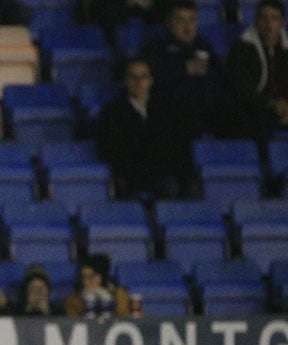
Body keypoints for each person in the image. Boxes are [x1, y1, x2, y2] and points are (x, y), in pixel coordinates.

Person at [96, 58, 195, 200]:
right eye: (133, 77)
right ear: (126, 81)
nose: (139, 82)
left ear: (151, 80)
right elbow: (111, 150)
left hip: (165, 172)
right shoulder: (112, 113)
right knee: (170, 187)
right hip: (133, 176)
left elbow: (177, 145)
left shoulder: (166, 110)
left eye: (143, 77)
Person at [140, 0, 232, 139]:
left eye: (192, 20)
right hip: (173, 112)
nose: (187, 26)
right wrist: (184, 69)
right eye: (180, 20)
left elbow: (222, 77)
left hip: (207, 110)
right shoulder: (156, 48)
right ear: (169, 23)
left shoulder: (204, 46)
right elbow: (149, 78)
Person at [227, 0, 288, 141]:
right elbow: (241, 88)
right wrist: (272, 104)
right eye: (263, 18)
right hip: (255, 108)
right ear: (256, 21)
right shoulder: (241, 48)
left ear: (282, 23)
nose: (268, 24)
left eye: (274, 18)